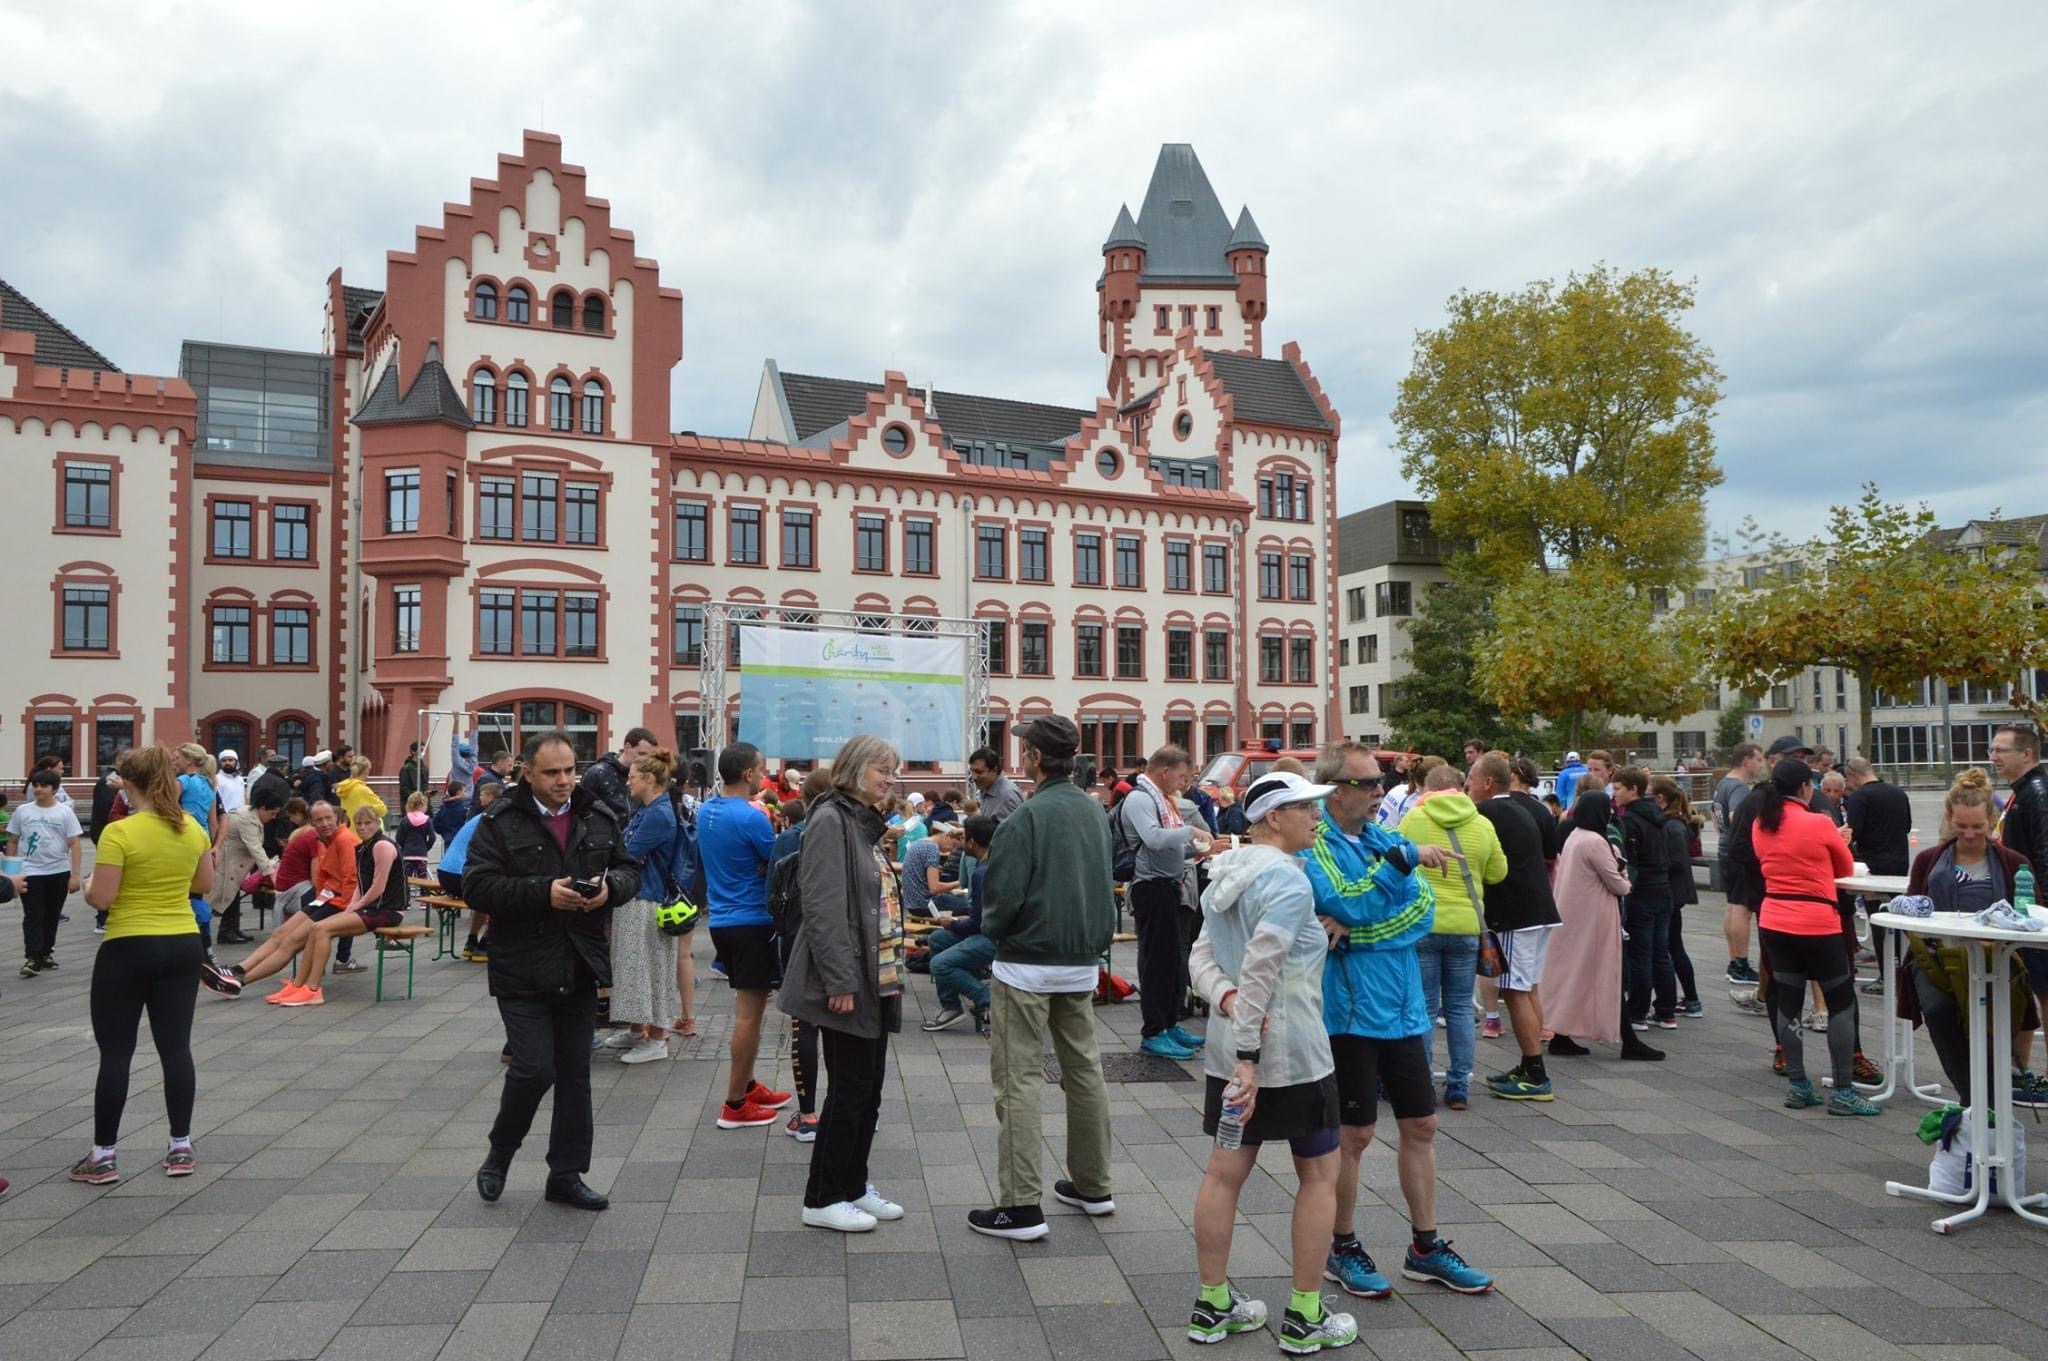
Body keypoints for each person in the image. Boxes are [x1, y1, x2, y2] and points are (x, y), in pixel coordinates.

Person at [1304, 746, 1493, 1304]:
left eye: (1379, 780)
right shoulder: (1319, 845)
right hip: (1351, 1013)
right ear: (1335, 788)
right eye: (1367, 781)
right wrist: (1378, 893)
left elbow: (1424, 909)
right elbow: (1345, 901)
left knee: (1422, 1126)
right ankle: (1342, 1247)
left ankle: (1426, 1248)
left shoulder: (1385, 840)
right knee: (1355, 1136)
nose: (1378, 789)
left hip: (1406, 1007)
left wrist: (1356, 930)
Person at [1182, 770, 1357, 1351]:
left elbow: (1205, 958)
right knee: (1319, 1174)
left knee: (1222, 1173)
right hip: (1292, 1056)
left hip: (1230, 1047)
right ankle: (1304, 1315)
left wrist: (1228, 1003)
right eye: (1306, 807)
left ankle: (1213, 1304)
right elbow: (1262, 965)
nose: (1317, 816)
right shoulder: (1286, 881)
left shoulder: (1226, 873)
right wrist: (1251, 1055)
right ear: (1274, 819)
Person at [468, 730, 640, 1210]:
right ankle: (500, 1154)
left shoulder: (597, 814)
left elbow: (629, 870)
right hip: (521, 965)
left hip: (580, 961)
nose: (565, 780)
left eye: (570, 770)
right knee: (532, 1067)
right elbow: (478, 888)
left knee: (574, 1074)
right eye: (552, 772)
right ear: (527, 772)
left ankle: (565, 1175)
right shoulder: (500, 821)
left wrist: (612, 891)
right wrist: (543, 892)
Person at [969, 715, 1116, 1242]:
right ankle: (1093, 1184)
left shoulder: (1024, 819)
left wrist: (996, 930)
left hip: (1026, 962)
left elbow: (1001, 899)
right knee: (1084, 1072)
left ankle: (1021, 1205)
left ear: (1032, 758)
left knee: (1019, 1080)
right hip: (1080, 960)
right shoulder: (1094, 811)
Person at [780, 734, 910, 1232]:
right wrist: (838, 978)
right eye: (883, 769)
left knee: (867, 1089)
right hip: (848, 978)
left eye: (893, 770)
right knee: (850, 1090)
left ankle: (854, 1184)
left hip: (871, 976)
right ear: (857, 768)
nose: (890, 778)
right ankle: (823, 1195)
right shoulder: (832, 820)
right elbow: (823, 907)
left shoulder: (857, 821)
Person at [71, 747, 215, 1184]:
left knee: (116, 1053)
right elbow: (202, 885)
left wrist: (89, 884)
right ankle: (180, 1147)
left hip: (129, 945)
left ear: (130, 786)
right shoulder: (191, 828)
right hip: (182, 943)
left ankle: (104, 1155)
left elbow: (103, 898)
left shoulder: (120, 833)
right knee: (176, 1049)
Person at [1904, 768, 2037, 1106]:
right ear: (1949, 818)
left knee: (1994, 1018)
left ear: (1992, 820)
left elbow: (2031, 916)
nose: (1969, 834)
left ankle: (1984, 1101)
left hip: (1997, 960)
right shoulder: (1927, 860)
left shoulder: (2013, 863)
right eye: (1961, 827)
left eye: (1977, 827)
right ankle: (1976, 1099)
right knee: (1938, 1009)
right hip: (1935, 959)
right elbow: (1911, 907)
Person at [1752, 756, 1874, 1116]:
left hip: (1775, 919)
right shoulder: (1819, 822)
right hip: (1817, 922)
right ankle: (1843, 1091)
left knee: (1788, 999)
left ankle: (1798, 1084)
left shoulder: (1762, 823)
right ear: (1806, 787)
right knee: (1840, 1000)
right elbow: (1844, 867)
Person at [1399, 763, 1507, 1107]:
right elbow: (1498, 873)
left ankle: (1423, 1084)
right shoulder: (1481, 823)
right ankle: (1459, 1085)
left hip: (1424, 924)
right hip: (1465, 927)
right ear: (1461, 786)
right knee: (1460, 1007)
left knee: (1426, 1006)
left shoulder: (1414, 821)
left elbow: (1396, 865)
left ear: (1426, 790)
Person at [700, 742, 791, 1129]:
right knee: (749, 1016)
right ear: (749, 774)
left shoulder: (707, 810)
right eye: (761, 768)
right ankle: (735, 1104)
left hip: (722, 919)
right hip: (752, 921)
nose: (764, 773)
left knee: (748, 1009)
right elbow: (779, 861)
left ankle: (749, 1085)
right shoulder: (752, 817)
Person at [1468, 754, 1561, 1101]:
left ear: (1488, 783)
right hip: (1538, 910)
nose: (1467, 786)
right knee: (1526, 987)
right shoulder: (1524, 808)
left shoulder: (1488, 813)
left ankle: (1536, 1073)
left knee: (1515, 991)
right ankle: (1529, 1063)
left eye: (1471, 779)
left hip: (1514, 915)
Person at [1547, 793, 1655, 1059]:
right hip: (1595, 919)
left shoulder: (1575, 836)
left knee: (1575, 976)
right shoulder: (1595, 842)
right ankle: (1629, 1041)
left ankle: (1561, 1034)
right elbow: (1618, 883)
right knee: (1608, 975)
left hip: (1574, 916)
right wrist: (1625, 877)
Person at [213, 802, 359, 998]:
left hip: (339, 902)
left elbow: (351, 879)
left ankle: (239, 982)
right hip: (326, 899)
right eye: (319, 820)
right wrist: (317, 901)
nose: (324, 823)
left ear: (336, 818)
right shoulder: (323, 840)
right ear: (312, 822)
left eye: (328, 818)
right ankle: (237, 970)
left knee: (291, 942)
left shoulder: (343, 840)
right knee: (281, 933)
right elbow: (322, 876)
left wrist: (344, 910)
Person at [1123, 745, 1211, 1060]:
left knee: (1173, 960)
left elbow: (1167, 847)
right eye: (1181, 776)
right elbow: (1155, 839)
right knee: (1156, 963)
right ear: (1165, 772)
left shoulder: (1161, 800)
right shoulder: (1140, 799)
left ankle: (1169, 1022)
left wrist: (1195, 852)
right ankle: (1153, 1032)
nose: (1183, 784)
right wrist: (1191, 831)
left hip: (1168, 885)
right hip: (1151, 888)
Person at [601, 748, 685, 1066]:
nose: (627, 783)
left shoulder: (657, 814)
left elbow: (625, 852)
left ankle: (658, 1038)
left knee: (650, 970)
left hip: (647, 899)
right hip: (638, 897)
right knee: (636, 968)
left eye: (632, 777)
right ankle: (638, 1030)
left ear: (649, 779)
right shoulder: (651, 809)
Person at [774, 767, 837, 1141]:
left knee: (805, 1028)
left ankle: (809, 1114)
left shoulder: (791, 838)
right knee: (839, 1030)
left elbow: (773, 896)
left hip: (799, 940)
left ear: (803, 800)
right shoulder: (851, 833)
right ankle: (845, 1107)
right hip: (841, 944)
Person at [1989, 724, 2048, 1073]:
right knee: (2025, 992)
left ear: (2026, 754)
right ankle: (2017, 1070)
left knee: (2043, 993)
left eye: (2000, 750)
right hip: (2024, 910)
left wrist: (2041, 910)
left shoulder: (2036, 793)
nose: (1994, 757)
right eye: (1992, 750)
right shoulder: (2022, 792)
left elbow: (2044, 851)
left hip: (2036, 913)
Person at [1612, 767, 1677, 1033]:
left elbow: (1630, 861)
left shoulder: (1630, 822)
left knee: (1641, 954)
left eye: (1617, 788)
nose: (1614, 794)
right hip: (1664, 889)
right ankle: (1666, 1011)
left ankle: (1638, 1012)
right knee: (1661, 952)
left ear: (1633, 790)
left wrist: (1628, 886)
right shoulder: (1660, 818)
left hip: (1643, 893)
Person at [922, 815, 999, 1034]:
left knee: (939, 964)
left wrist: (952, 924)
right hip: (988, 930)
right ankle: (951, 1007)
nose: (959, 842)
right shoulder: (991, 863)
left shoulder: (982, 873)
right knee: (937, 939)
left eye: (963, 837)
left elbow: (977, 924)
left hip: (992, 938)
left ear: (972, 843)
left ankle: (987, 1000)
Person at [10, 767, 84, 976]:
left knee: (51, 914)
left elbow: (75, 844)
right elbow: (13, 841)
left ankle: (46, 952)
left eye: (43, 785)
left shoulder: (64, 812)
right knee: (33, 913)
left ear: (54, 789)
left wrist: (75, 876)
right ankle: (32, 956)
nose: (38, 789)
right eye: (35, 785)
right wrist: (10, 873)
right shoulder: (23, 811)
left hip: (58, 871)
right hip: (30, 871)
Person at [1651, 776, 1705, 1019]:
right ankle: (1690, 998)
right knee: (1673, 945)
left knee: (1671, 946)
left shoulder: (1671, 825)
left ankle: (1689, 999)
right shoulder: (1675, 823)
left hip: (1671, 893)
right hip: (1674, 892)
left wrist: (1653, 865)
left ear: (1660, 798)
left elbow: (1678, 862)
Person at [1713, 742, 1766, 987]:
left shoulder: (1723, 783)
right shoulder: (1739, 789)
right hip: (1739, 853)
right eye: (1758, 759)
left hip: (1724, 849)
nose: (1761, 764)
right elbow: (1737, 817)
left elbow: (1716, 819)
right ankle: (1741, 964)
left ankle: (1733, 960)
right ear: (1746, 761)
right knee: (1742, 908)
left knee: (1732, 906)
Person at [207, 785, 280, 951]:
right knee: (227, 895)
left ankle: (232, 929)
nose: (273, 817)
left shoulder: (251, 814)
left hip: (235, 859)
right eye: (272, 813)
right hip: (228, 859)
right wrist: (271, 874)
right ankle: (226, 932)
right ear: (262, 808)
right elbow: (255, 848)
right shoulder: (246, 819)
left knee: (233, 895)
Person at [581, 726, 658, 825]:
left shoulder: (646, 775)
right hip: (606, 837)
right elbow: (583, 812)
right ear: (627, 747)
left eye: (650, 757)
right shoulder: (597, 774)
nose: (646, 760)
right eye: (642, 754)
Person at [901, 821, 966, 920]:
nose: (952, 851)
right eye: (953, 845)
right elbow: (934, 888)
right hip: (925, 905)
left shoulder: (920, 842)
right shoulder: (932, 848)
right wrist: (961, 882)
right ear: (947, 835)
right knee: (972, 904)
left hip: (912, 904)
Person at [334, 756, 387, 827]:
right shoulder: (363, 789)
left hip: (349, 829)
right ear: (365, 771)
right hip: (362, 831)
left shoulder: (345, 788)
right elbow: (382, 810)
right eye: (369, 770)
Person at [395, 792, 436, 882]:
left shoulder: (404, 820)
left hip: (407, 855)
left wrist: (404, 846)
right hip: (421, 855)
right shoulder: (427, 820)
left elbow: (398, 837)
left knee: (406, 881)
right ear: (422, 805)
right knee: (423, 882)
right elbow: (432, 837)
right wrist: (426, 847)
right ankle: (423, 894)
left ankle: (407, 895)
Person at [398, 742, 428, 811]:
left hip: (424, 808)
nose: (423, 752)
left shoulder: (424, 769)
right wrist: (421, 794)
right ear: (413, 752)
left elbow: (425, 787)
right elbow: (404, 791)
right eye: (421, 750)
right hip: (411, 808)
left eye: (424, 750)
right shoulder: (406, 769)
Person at [214, 749, 246, 814]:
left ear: (236, 762)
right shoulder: (216, 779)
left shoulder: (240, 779)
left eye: (230, 760)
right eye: (224, 760)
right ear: (220, 763)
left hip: (241, 818)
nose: (227, 763)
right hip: (224, 818)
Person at [449, 732, 479, 796]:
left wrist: (456, 722)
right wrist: (475, 726)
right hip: (469, 797)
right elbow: (474, 745)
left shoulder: (456, 764)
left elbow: (454, 745)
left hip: (455, 796)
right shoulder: (474, 765)